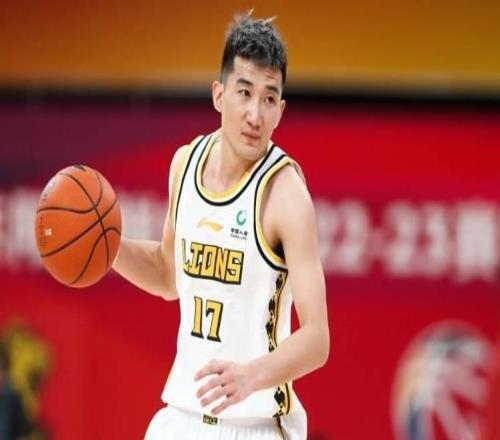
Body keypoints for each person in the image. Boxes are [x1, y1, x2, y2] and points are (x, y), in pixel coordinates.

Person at [113, 10, 329, 440]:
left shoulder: (285, 195)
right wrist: (108, 248)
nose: (255, 114)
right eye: (244, 93)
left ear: (281, 110)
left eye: (269, 99)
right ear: (219, 94)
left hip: (256, 424)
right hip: (181, 418)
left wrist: (252, 376)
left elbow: (317, 338)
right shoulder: (184, 164)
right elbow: (167, 275)